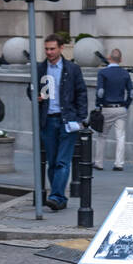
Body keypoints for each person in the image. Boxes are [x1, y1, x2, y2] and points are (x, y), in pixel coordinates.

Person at [25, 34, 88, 211]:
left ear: (61, 48)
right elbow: (30, 89)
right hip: (48, 120)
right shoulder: (39, 69)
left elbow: (81, 93)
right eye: (46, 49)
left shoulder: (72, 69)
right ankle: (60, 198)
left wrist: (81, 119)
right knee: (52, 162)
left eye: (52, 49)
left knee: (62, 161)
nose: (49, 52)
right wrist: (35, 97)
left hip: (67, 120)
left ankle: (56, 196)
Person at [93, 48, 132, 171]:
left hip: (107, 108)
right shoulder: (125, 73)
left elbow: (100, 92)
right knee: (120, 136)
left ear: (109, 58)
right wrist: (126, 105)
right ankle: (119, 163)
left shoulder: (103, 73)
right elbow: (131, 93)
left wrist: (98, 106)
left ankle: (99, 162)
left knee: (102, 136)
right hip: (120, 108)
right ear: (120, 60)